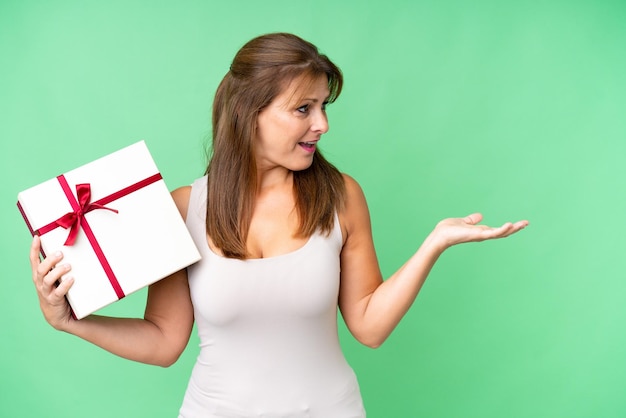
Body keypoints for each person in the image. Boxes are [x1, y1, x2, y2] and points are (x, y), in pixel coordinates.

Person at [30, 32, 528, 417]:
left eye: (324, 107)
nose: (323, 125)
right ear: (250, 113)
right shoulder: (183, 208)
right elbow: (164, 341)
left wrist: (434, 243)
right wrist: (71, 321)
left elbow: (369, 327)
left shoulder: (341, 196)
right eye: (303, 109)